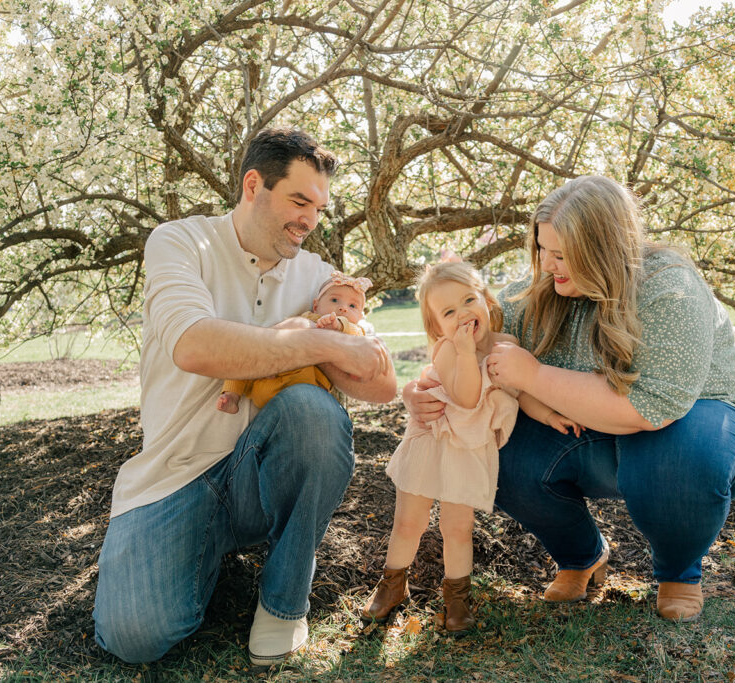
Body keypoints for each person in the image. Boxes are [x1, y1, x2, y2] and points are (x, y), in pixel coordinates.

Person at [403, 175, 735, 622]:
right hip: (593, 426)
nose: (547, 264)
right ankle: (582, 557)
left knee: (677, 457)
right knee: (496, 447)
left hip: (696, 421)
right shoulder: (537, 290)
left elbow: (648, 409)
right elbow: (470, 344)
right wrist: (422, 388)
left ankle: (678, 572)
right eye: (542, 249)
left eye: (562, 254)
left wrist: (533, 374)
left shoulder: (669, 288)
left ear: (602, 248)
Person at [93, 128, 397, 666]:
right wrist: (316, 340)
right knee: (133, 638)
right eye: (298, 201)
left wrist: (344, 345)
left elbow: (382, 385)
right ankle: (202, 549)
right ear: (253, 185)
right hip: (177, 472)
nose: (309, 220)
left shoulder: (320, 276)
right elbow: (193, 345)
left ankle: (283, 603)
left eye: (319, 208)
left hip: (263, 470)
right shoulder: (180, 242)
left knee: (313, 412)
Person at [362, 261, 520, 633]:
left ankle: (457, 599)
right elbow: (466, 398)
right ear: (437, 327)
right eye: (449, 312)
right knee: (409, 522)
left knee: (458, 527)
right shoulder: (449, 350)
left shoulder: (508, 347)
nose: (463, 314)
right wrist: (467, 353)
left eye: (469, 300)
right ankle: (392, 585)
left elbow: (522, 389)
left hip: (469, 448)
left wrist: (550, 414)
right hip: (434, 440)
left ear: (486, 299)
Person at [216, 271, 373, 414]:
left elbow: (358, 336)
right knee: (248, 354)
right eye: (334, 300)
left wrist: (339, 325)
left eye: (352, 305)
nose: (343, 308)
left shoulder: (354, 331)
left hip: (304, 384)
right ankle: (231, 394)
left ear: (360, 316)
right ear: (316, 305)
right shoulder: (307, 318)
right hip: (266, 381)